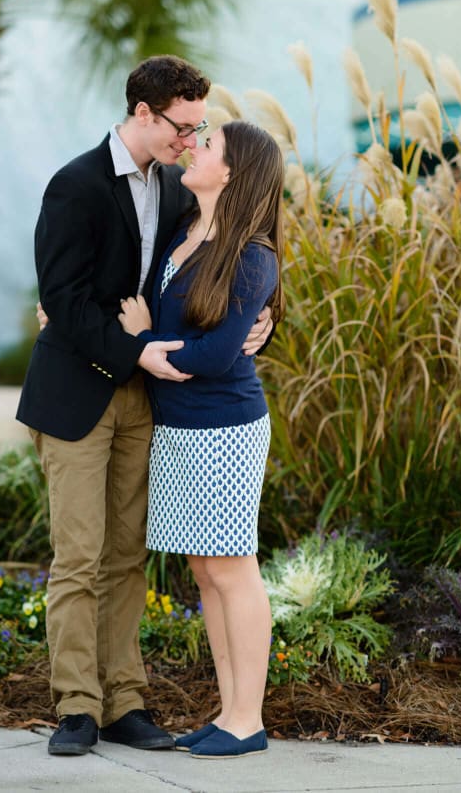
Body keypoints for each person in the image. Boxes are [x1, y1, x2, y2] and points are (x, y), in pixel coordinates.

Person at [15, 55, 272, 757]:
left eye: (198, 130)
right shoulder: (73, 186)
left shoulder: (178, 190)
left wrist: (266, 317)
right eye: (181, 127)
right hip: (77, 395)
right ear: (142, 112)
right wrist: (136, 352)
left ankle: (125, 699)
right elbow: (62, 300)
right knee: (78, 556)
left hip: (145, 401)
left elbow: (230, 264)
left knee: (128, 557)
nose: (190, 142)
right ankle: (77, 706)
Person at [115, 120, 284, 760]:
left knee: (233, 570)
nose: (194, 148)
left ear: (232, 171)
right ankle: (227, 710)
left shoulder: (252, 253)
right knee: (205, 569)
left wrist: (143, 341)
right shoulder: (185, 230)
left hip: (226, 428)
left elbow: (215, 355)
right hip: (179, 427)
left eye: (207, 146)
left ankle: (249, 718)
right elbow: (192, 328)